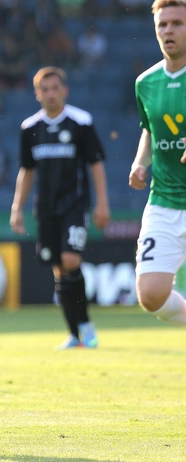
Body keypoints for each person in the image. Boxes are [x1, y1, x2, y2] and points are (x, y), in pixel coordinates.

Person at [10, 66, 110, 350]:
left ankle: (86, 324)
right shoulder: (30, 128)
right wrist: (17, 207)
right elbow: (26, 170)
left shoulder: (81, 122)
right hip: (46, 209)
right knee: (59, 269)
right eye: (45, 89)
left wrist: (102, 203)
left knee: (70, 260)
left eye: (56, 88)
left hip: (75, 206)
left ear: (64, 91)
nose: (51, 94)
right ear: (37, 93)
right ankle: (74, 334)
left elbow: (96, 164)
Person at [129, 0, 186, 326]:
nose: (168, 31)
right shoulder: (145, 83)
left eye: (177, 23)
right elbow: (149, 131)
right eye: (162, 25)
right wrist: (140, 163)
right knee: (150, 295)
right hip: (164, 200)